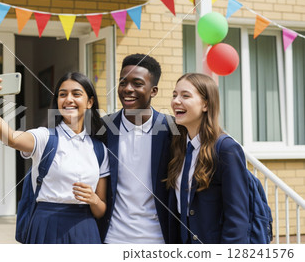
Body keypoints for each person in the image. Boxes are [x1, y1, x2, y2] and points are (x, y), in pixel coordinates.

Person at [0, 71, 109, 244]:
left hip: (85, 230)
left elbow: (101, 210)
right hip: (46, 226)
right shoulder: (45, 137)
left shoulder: (100, 150)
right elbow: (11, 138)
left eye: (76, 94)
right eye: (63, 94)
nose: (68, 99)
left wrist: (93, 200)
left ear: (90, 102)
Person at [98, 54, 176, 244]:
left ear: (153, 90)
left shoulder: (172, 130)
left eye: (137, 83)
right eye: (123, 82)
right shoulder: (102, 127)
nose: (127, 89)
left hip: (158, 239)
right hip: (112, 238)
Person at [167, 73, 250, 244]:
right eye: (175, 95)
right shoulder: (178, 147)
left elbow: (237, 219)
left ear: (205, 104)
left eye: (185, 95)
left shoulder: (226, 149)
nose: (176, 101)